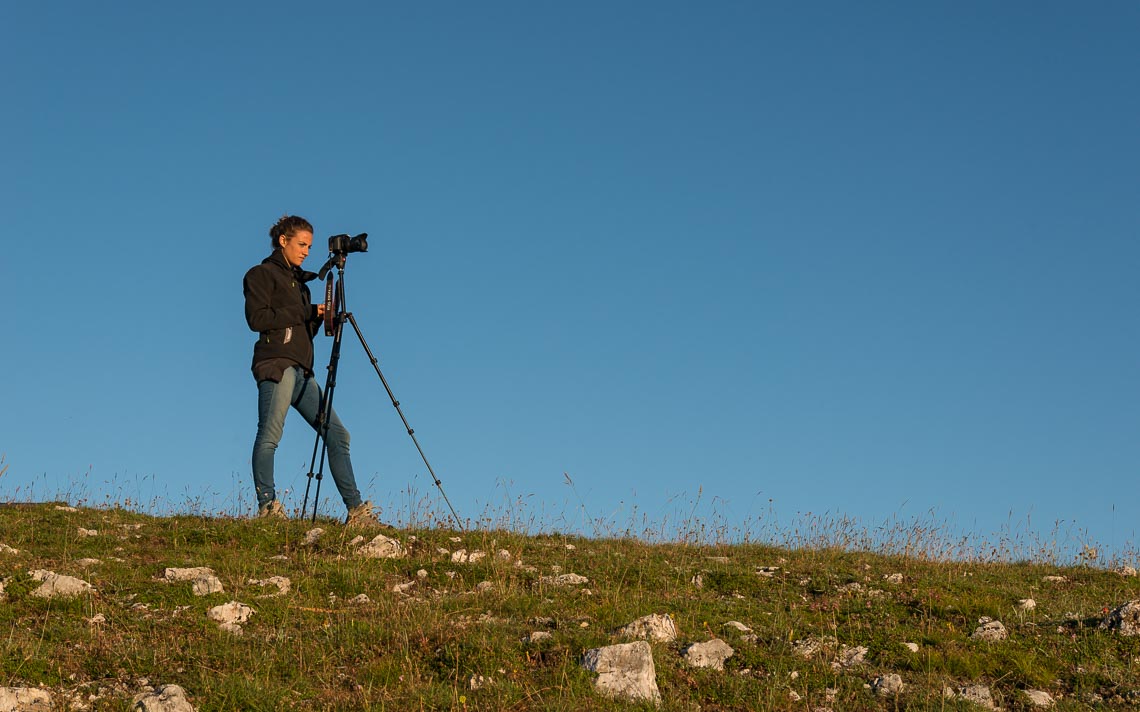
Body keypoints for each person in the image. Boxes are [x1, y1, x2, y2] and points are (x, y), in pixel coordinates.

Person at [243, 215, 379, 526]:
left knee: (338, 435)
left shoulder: (301, 285)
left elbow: (300, 331)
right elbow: (257, 319)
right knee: (270, 435)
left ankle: (357, 513)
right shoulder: (261, 275)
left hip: (303, 371)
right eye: (302, 244)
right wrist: (307, 311)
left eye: (310, 246)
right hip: (277, 365)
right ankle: (268, 507)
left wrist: (320, 318)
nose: (306, 251)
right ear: (283, 241)